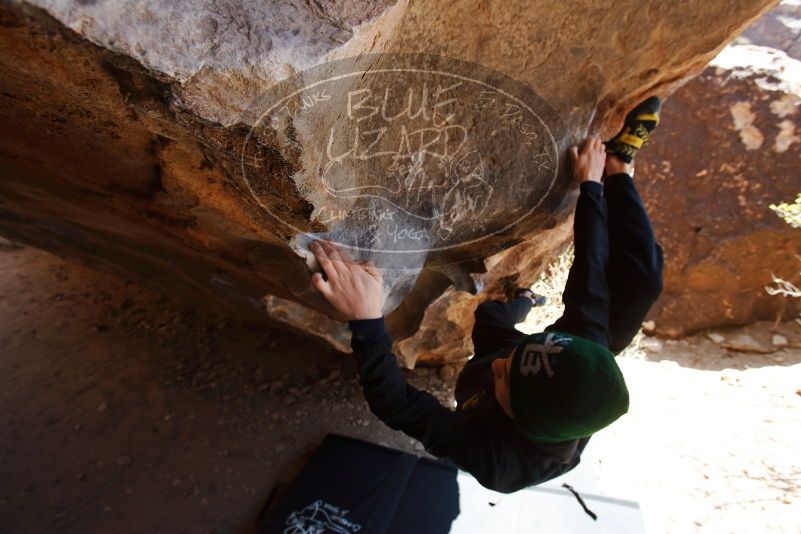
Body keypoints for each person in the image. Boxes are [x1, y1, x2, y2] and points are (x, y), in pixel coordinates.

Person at [308, 97, 664, 493]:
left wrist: (366, 318)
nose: (498, 364)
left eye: (507, 377)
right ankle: (620, 169)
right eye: (513, 360)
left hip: (521, 396)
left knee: (492, 326)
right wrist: (593, 186)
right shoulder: (585, 343)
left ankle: (524, 304)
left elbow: (396, 404)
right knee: (643, 280)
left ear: (519, 418)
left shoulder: (499, 462)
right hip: (568, 363)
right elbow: (590, 268)